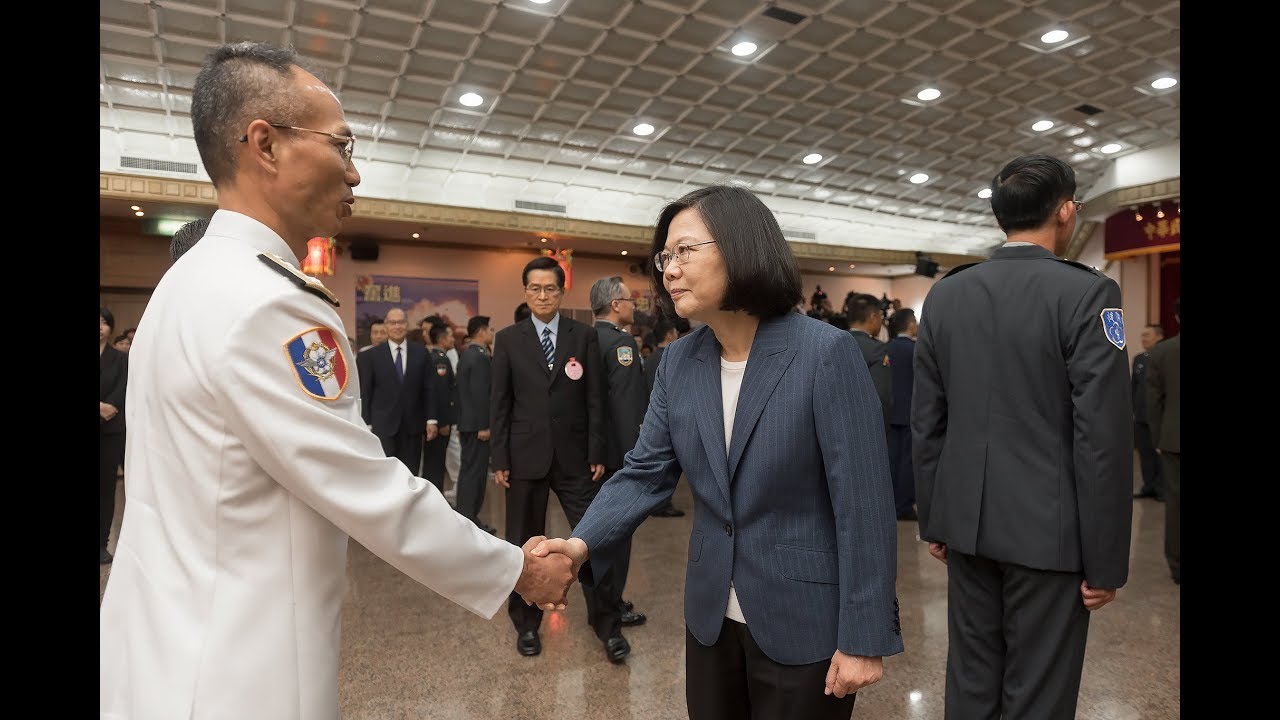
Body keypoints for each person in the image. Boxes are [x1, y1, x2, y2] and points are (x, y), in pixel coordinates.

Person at [98, 41, 574, 720]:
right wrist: (517, 569)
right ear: (264, 144)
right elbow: (366, 486)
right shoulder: (270, 304)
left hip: (164, 647)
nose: (354, 174)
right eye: (341, 147)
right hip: (243, 670)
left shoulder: (186, 281)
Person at [536, 184, 903, 719]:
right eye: (664, 256)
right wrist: (577, 545)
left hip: (804, 619)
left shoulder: (825, 354)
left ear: (741, 246)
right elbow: (644, 473)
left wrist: (865, 636)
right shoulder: (681, 362)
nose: (668, 269)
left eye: (684, 251)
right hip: (711, 615)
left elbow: (864, 505)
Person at [912, 154, 1132, 719]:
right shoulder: (1087, 295)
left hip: (966, 527)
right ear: (1065, 212)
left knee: (971, 681)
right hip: (1048, 534)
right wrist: (1105, 561)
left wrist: (938, 515)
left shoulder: (947, 295)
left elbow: (927, 421)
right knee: (1038, 692)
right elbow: (1101, 436)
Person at [489, 256, 624, 662]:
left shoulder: (582, 336)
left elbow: (595, 398)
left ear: (561, 292)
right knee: (523, 546)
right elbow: (501, 403)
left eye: (550, 288)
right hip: (524, 456)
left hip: (575, 458)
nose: (543, 295)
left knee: (593, 542)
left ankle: (608, 625)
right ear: (525, 291)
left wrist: (597, 450)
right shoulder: (508, 339)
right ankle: (526, 625)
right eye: (535, 288)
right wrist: (500, 458)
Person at [589, 275, 651, 628]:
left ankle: (599, 603)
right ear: (615, 305)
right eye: (629, 300)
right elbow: (628, 409)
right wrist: (636, 461)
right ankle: (612, 606)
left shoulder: (582, 339)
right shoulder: (621, 346)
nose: (632, 306)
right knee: (617, 533)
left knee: (593, 531)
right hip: (617, 457)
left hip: (591, 454)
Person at [358, 307, 436, 476]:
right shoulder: (371, 356)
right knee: (385, 474)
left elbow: (429, 388)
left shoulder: (421, 353)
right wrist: (366, 423)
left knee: (411, 473)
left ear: (406, 325)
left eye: (400, 322)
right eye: (392, 323)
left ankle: (409, 503)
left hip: (413, 425)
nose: (397, 326)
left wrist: (431, 419)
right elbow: (366, 392)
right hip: (383, 426)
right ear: (386, 326)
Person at [1145, 298, 1180, 584]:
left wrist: (1156, 437)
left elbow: (1153, 401)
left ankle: (1178, 566)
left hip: (1173, 438)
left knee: (1176, 504)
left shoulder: (1161, 352)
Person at [455, 315, 496, 534]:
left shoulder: (469, 354)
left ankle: (468, 517)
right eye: (490, 329)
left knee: (471, 471)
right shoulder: (478, 357)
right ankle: (467, 520)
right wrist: (483, 425)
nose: (492, 333)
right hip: (476, 426)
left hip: (468, 423)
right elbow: (480, 395)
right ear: (481, 331)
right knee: (474, 474)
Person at [642, 316, 686, 519]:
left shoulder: (650, 358)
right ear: (670, 334)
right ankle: (662, 503)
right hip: (670, 415)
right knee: (667, 462)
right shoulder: (675, 357)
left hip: (650, 412)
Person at [100, 307, 128, 565]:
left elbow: (122, 390)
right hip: (103, 413)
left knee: (106, 488)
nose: (100, 326)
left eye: (104, 322)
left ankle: (102, 543)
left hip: (110, 429)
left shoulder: (120, 359)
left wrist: (109, 407)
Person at [885, 308, 918, 521]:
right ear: (910, 324)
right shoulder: (915, 349)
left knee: (891, 460)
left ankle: (891, 502)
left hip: (889, 410)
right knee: (908, 462)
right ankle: (904, 505)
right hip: (909, 411)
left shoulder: (885, 348)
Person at [846, 292, 892, 429]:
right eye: (880, 317)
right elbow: (882, 396)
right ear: (873, 317)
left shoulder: (833, 343)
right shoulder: (876, 349)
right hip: (866, 425)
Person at [1132, 323, 1166, 500]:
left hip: (1159, 415)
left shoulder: (1164, 357)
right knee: (1144, 453)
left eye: (1147, 335)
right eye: (1142, 335)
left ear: (1159, 337)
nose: (1143, 339)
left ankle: (1161, 489)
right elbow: (1134, 387)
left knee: (1159, 454)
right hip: (1141, 416)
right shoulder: (1139, 359)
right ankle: (1149, 486)